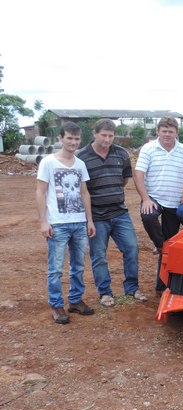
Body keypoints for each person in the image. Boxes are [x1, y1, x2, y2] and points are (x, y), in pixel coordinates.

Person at [133, 116, 183, 292]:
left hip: (174, 203)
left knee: (170, 242)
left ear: (176, 133)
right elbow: (138, 175)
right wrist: (145, 198)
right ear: (158, 131)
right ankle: (159, 245)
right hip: (154, 198)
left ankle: (161, 287)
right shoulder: (148, 149)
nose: (167, 134)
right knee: (148, 216)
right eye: (164, 131)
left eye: (171, 131)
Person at [78, 119, 146, 307]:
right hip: (97, 216)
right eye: (104, 135)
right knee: (99, 255)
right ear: (95, 133)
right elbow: (81, 188)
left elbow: (124, 179)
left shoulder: (121, 153)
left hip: (120, 213)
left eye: (111, 135)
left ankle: (132, 289)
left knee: (131, 248)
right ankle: (105, 293)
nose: (107, 139)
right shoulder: (82, 157)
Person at [36, 122, 96, 324]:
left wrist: (89, 220)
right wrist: (43, 221)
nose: (73, 142)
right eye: (69, 138)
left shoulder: (80, 164)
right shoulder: (48, 163)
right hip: (58, 223)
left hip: (79, 222)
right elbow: (40, 191)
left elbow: (84, 192)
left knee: (78, 266)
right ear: (60, 138)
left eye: (77, 139)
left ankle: (76, 300)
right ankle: (56, 305)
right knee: (56, 268)